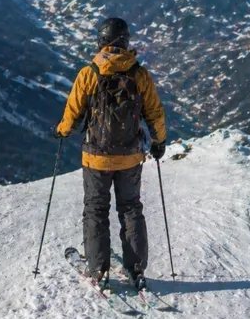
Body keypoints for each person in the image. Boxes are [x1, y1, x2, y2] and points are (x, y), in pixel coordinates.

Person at [55, 17, 166, 288]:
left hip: (96, 157)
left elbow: (73, 111)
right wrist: (159, 141)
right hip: (130, 156)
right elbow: (154, 112)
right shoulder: (139, 75)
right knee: (130, 209)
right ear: (126, 42)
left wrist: (61, 131)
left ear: (101, 42)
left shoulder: (90, 73)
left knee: (95, 209)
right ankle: (136, 268)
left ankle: (97, 268)